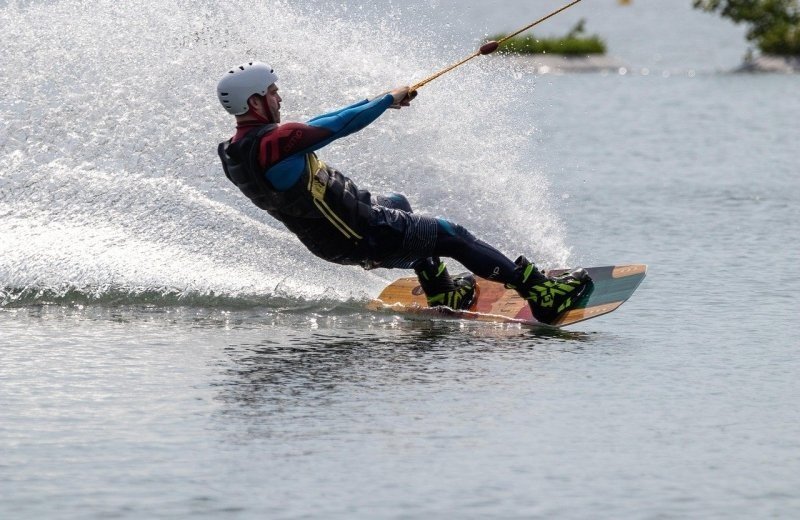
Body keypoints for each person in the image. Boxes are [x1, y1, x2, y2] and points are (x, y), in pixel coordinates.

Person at [216, 61, 591, 324]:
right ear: (255, 102)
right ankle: (541, 294)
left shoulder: (235, 151)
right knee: (451, 235)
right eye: (273, 93)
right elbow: (337, 126)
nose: (279, 99)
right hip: (365, 233)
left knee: (397, 203)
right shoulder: (278, 142)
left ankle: (443, 292)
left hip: (333, 239)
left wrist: (383, 98)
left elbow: (319, 123)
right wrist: (386, 101)